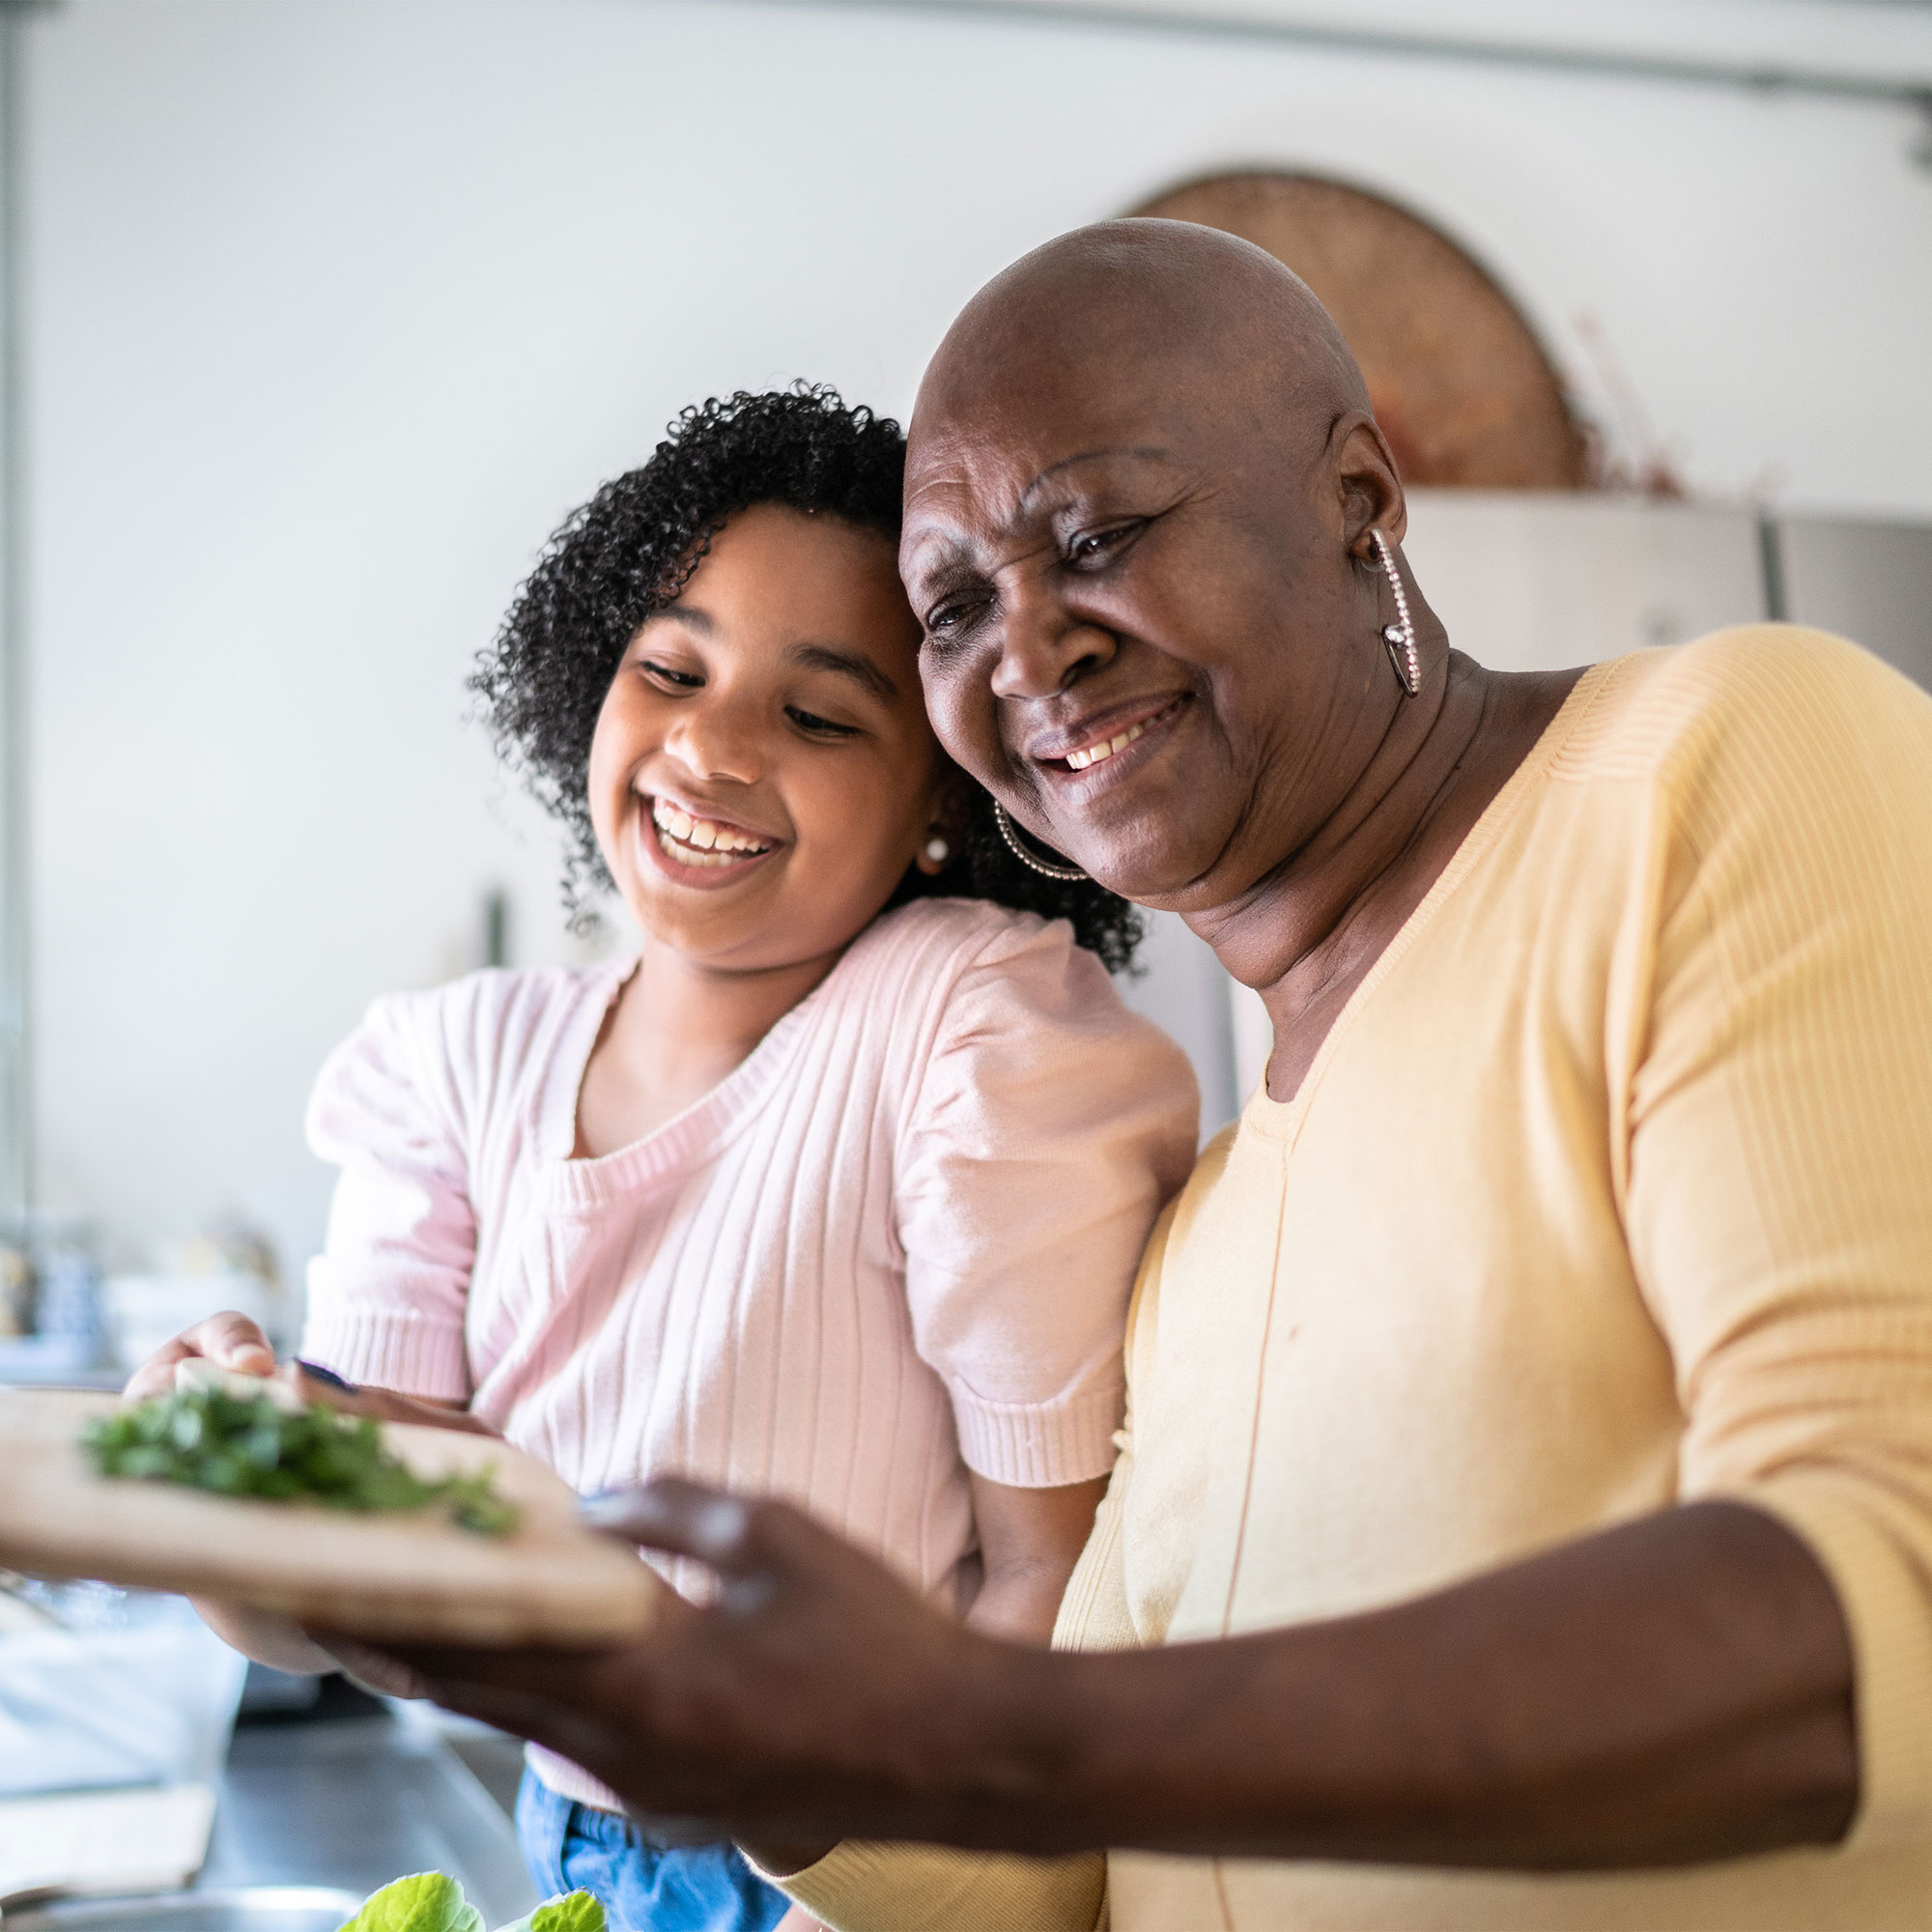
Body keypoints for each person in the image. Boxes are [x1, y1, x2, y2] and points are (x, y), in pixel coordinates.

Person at [351, 224, 1932, 1932]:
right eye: (955, 608)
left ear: (1358, 501)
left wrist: (1008, 1723)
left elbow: (1885, 1595)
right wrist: (730, 1727)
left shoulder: (1719, 762)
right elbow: (1059, 1877)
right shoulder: (1202, 1232)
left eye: (1094, 537)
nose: (1027, 652)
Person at [126, 387, 1198, 1932]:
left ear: (941, 803)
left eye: (819, 715)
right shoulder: (450, 1067)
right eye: (670, 670)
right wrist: (224, 1489)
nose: (708, 746)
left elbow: (1062, 1575)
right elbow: (355, 1611)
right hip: (576, 1842)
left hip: (870, 1854)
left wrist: (899, 1878)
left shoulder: (962, 1025)